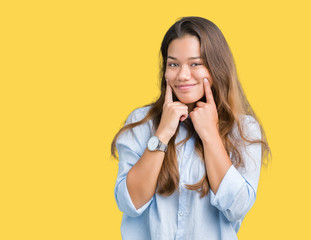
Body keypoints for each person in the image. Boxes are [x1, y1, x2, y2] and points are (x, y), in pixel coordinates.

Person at [111, 16, 271, 240]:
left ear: (216, 67)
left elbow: (237, 207)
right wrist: (163, 133)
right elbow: (129, 202)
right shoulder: (142, 121)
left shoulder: (243, 129)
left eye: (196, 63)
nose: (183, 75)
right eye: (173, 64)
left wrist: (210, 135)